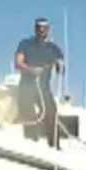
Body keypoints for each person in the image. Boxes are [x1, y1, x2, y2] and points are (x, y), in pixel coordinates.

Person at [15, 18, 65, 147]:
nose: (41, 30)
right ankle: (31, 142)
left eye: (44, 28)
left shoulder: (54, 48)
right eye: (39, 27)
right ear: (35, 29)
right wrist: (31, 70)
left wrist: (60, 65)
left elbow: (61, 66)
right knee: (27, 111)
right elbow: (18, 63)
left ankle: (54, 146)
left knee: (51, 112)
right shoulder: (25, 43)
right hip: (27, 86)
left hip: (43, 88)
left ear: (48, 30)